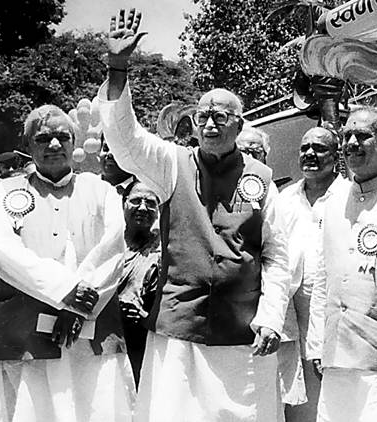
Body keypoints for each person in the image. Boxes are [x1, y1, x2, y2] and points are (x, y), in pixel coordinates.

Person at [99, 9, 290, 422]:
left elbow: (275, 256)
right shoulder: (172, 163)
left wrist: (272, 317)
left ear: (239, 124)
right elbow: (124, 140)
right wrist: (117, 68)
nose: (208, 123)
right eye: (202, 115)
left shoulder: (262, 178)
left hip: (243, 331)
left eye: (219, 116)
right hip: (179, 327)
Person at [0, 104, 134, 422]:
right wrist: (65, 290)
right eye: (43, 138)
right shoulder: (2, 194)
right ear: (27, 146)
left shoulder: (102, 190)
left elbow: (112, 251)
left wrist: (77, 307)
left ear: (73, 141)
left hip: (91, 333)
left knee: (96, 410)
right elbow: (2, 253)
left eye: (62, 136)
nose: (54, 144)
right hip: (25, 335)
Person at [307, 108, 377, 422]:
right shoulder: (332, 202)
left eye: (362, 136)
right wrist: (316, 345)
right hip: (336, 350)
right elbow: (323, 277)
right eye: (347, 136)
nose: (351, 143)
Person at [277, 127, 348, 421]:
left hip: (336, 314)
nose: (310, 154)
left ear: (336, 156)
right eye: (304, 148)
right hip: (292, 313)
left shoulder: (349, 194)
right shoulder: (285, 199)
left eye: (319, 149)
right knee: (298, 400)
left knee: (335, 399)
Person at [117, 181, 161, 387]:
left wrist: (144, 317)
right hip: (108, 336)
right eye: (136, 201)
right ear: (123, 203)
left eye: (151, 203)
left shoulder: (164, 248)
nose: (143, 208)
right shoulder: (108, 243)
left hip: (143, 342)